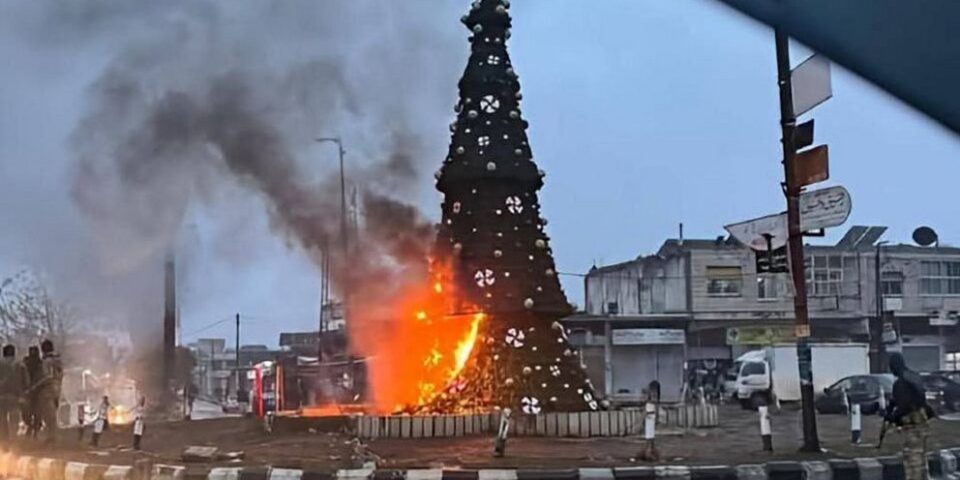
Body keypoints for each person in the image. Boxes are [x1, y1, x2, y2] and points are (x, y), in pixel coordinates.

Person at [885, 353, 935, 480]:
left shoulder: (900, 383)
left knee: (913, 463)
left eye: (891, 367)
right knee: (921, 460)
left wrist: (892, 417)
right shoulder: (914, 376)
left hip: (912, 426)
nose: (891, 371)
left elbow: (903, 407)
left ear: (895, 366)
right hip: (922, 423)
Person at [33, 340, 63, 443]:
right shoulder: (58, 360)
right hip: (57, 388)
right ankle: (53, 436)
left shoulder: (46, 361)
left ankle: (52, 437)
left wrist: (35, 386)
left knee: (48, 414)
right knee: (53, 412)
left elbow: (47, 376)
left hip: (47, 389)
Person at [0, 345, 27, 442]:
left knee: (1, 419)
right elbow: (26, 380)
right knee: (14, 418)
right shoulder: (20, 364)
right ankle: (13, 439)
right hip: (15, 395)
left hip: (1, 395)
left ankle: (3, 440)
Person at [22, 346, 42, 438]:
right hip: (28, 390)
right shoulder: (25, 363)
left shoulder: (41, 363)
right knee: (26, 413)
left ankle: (35, 432)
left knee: (37, 413)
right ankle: (30, 427)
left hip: (38, 390)